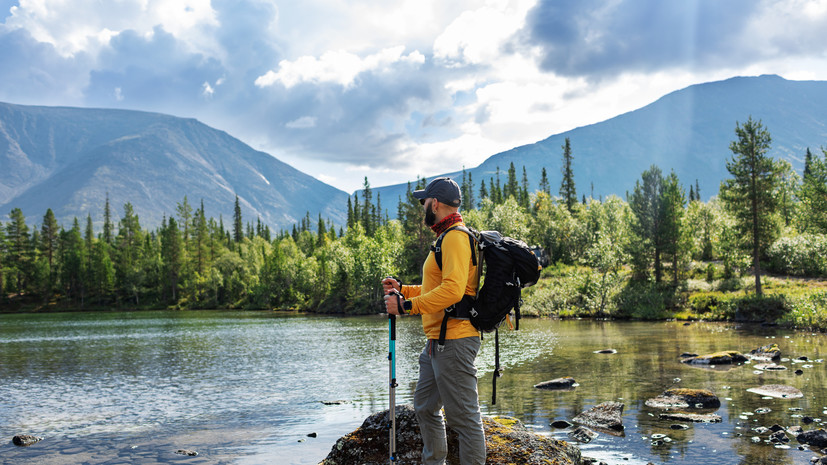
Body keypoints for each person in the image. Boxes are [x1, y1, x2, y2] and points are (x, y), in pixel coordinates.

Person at [382, 176, 485, 465]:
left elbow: (453, 291)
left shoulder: (455, 237)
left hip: (454, 340)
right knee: (425, 407)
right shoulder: (445, 237)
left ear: (435, 204)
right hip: (436, 343)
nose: (422, 207)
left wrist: (406, 307)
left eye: (424, 202)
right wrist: (404, 290)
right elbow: (436, 289)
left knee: (464, 420)